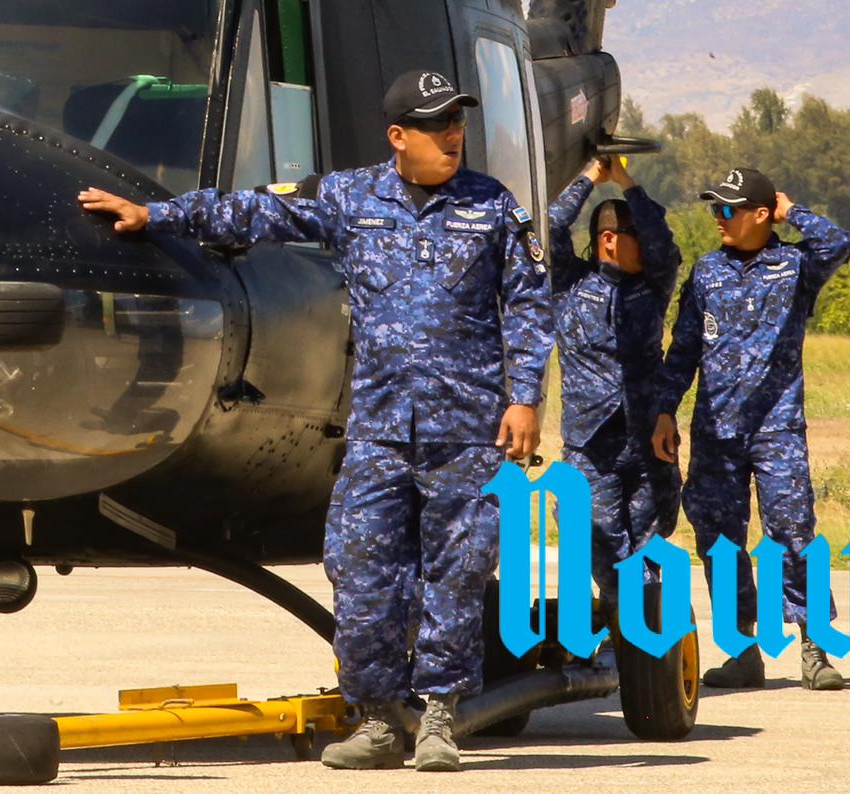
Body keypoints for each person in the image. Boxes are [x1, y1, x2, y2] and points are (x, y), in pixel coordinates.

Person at [80, 68, 555, 774]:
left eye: (457, 122)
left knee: (456, 574)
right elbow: (252, 214)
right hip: (380, 428)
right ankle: (378, 717)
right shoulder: (348, 197)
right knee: (360, 570)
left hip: (469, 429)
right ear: (399, 137)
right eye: (436, 126)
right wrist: (158, 216)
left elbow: (527, 304)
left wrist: (525, 399)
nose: (452, 136)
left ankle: (441, 718)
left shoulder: (492, 208)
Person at [650, 167, 850, 693]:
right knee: (719, 538)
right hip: (717, 431)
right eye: (714, 209)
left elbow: (838, 243)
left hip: (777, 427)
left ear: (761, 214)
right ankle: (742, 651)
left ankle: (815, 648)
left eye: (727, 210)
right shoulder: (707, 273)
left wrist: (793, 212)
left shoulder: (794, 267)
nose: (718, 219)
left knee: (792, 532)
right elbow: (684, 350)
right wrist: (665, 408)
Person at [541, 154, 682, 647]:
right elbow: (551, 227)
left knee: (648, 545)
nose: (645, 245)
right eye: (633, 237)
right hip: (590, 445)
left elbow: (664, 245)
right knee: (592, 534)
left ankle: (644, 647)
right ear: (607, 240)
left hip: (647, 442)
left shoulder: (652, 287)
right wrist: (589, 178)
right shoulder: (569, 286)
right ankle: (630, 625)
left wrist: (626, 182)